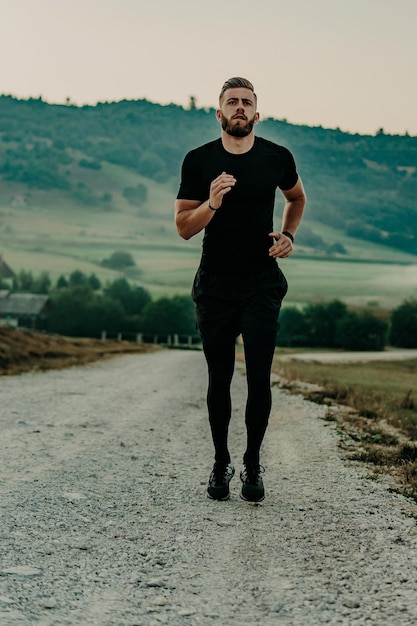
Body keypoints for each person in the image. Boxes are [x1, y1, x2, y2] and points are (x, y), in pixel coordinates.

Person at [175, 77, 306, 502]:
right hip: (214, 286)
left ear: (256, 113)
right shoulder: (198, 161)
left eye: (246, 102)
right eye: (231, 101)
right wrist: (210, 203)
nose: (239, 108)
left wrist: (288, 236)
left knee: (259, 380)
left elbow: (296, 198)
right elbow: (182, 228)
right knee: (219, 378)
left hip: (261, 283)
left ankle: (252, 463)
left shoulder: (276, 157)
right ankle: (220, 463)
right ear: (219, 113)